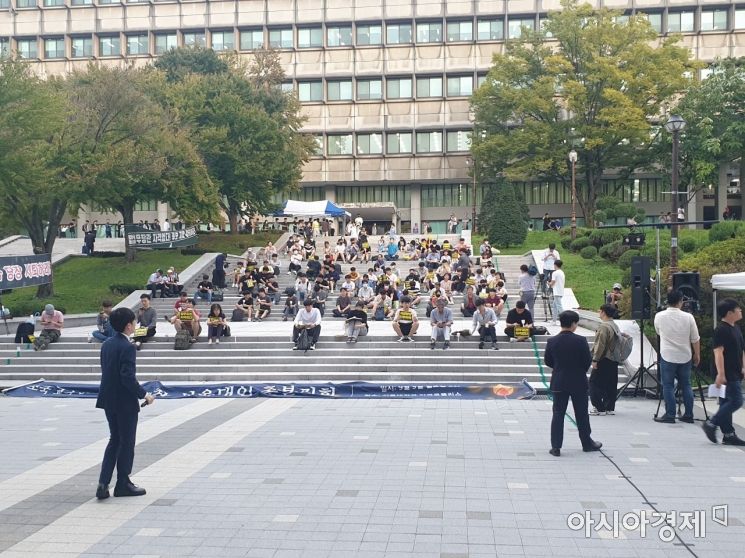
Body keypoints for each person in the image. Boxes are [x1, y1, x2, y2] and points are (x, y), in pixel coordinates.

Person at [95, 307, 154, 500]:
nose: (135, 325)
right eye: (134, 322)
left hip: (108, 399)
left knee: (114, 440)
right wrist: (144, 394)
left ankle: (103, 483)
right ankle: (123, 483)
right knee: (127, 442)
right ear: (129, 325)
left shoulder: (107, 344)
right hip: (124, 402)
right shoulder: (128, 347)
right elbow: (127, 377)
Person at [544, 310, 602, 456]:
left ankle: (556, 447)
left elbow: (548, 361)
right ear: (574, 324)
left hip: (559, 380)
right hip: (578, 381)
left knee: (558, 413)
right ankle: (587, 443)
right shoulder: (581, 341)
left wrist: (559, 368)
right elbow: (586, 361)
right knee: (581, 413)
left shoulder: (552, 341)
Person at [653, 290, 700, 424]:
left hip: (667, 354)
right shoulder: (689, 317)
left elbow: (658, 331)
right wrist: (697, 354)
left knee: (667, 385)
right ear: (681, 301)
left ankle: (670, 414)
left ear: (667, 301)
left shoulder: (660, 316)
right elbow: (695, 338)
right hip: (685, 355)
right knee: (686, 385)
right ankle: (689, 414)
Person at [702, 299, 745, 446]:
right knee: (737, 400)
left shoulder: (736, 328)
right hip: (727, 372)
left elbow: (741, 350)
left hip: (736, 370)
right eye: (738, 309)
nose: (740, 311)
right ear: (729, 313)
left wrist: (743, 367)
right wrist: (720, 373)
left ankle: (728, 434)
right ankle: (712, 423)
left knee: (726, 402)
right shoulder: (721, 330)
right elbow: (718, 352)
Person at [590, 304, 620, 416]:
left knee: (594, 383)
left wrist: (595, 359)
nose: (599, 313)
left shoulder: (604, 326)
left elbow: (600, 344)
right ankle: (609, 407)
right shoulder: (615, 325)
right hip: (614, 358)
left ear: (603, 312)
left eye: (600, 311)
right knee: (610, 384)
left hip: (604, 358)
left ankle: (599, 407)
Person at [549, 260, 565, 326]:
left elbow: (553, 282)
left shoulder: (555, 273)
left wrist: (549, 283)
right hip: (560, 291)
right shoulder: (562, 272)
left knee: (559, 306)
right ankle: (554, 321)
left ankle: (565, 321)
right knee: (555, 306)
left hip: (557, 291)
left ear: (555, 265)